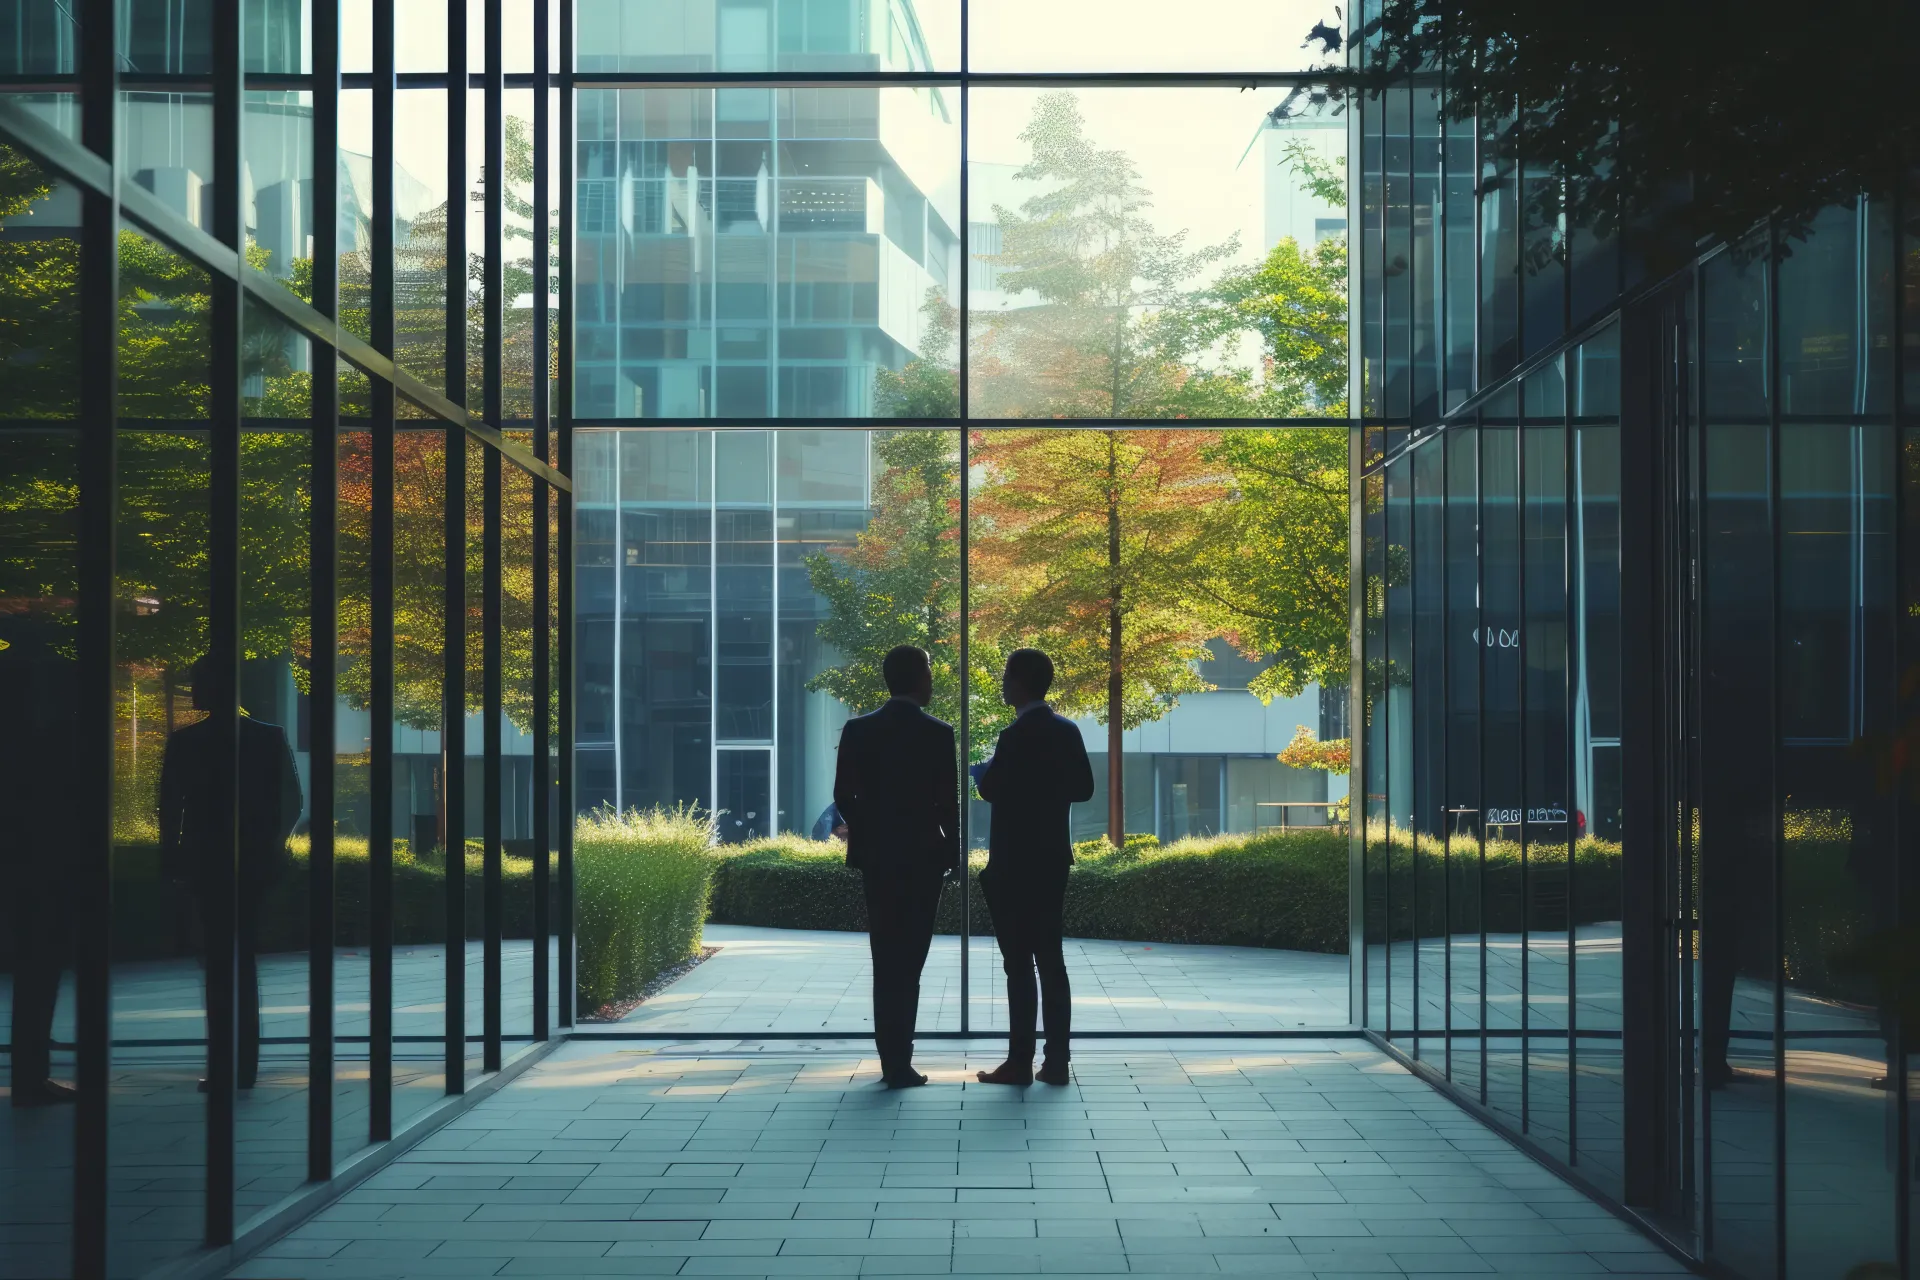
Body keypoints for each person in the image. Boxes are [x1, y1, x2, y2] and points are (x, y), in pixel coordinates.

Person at [160, 657, 304, 1092]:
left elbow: (170, 809)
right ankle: (245, 1063)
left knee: (218, 962)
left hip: (207, 860)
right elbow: (292, 800)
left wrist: (172, 858)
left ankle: (225, 1061)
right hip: (253, 863)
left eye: (198, 682)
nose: (192, 689)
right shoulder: (266, 737)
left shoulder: (186, 742)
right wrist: (269, 844)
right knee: (242, 959)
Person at [832, 645, 959, 1089]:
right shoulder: (938, 733)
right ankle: (901, 1058)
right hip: (924, 857)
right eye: (928, 672)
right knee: (912, 960)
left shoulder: (858, 730)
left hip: (878, 857)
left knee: (885, 958)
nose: (931, 680)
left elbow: (843, 795)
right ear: (916, 678)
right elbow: (947, 803)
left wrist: (867, 829)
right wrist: (954, 850)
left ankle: (891, 1061)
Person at [972, 648, 1094, 1086]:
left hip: (1013, 861)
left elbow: (994, 792)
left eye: (1007, 676)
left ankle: (1019, 1060)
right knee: (1052, 959)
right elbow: (1084, 787)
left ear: (1022, 682)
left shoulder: (1013, 736)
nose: (1003, 683)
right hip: (1052, 857)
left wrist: (984, 774)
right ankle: (1057, 1061)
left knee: (1018, 963)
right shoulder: (1067, 730)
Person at [1, 637, 80, 1107]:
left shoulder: (18, 745)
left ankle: (30, 1072)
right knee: (40, 968)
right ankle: (32, 1075)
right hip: (48, 871)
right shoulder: (60, 743)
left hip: (23, 867)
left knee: (33, 968)